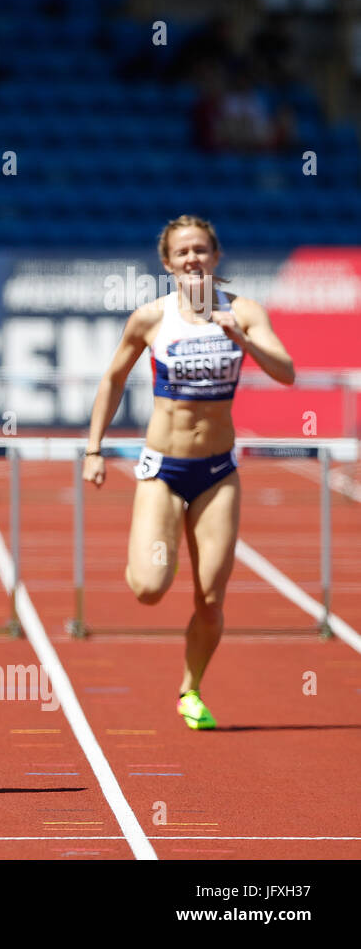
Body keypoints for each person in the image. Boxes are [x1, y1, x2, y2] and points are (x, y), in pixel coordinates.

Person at [83, 215, 294, 729]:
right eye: (183, 252)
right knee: (151, 587)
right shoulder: (151, 318)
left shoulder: (244, 312)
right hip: (164, 469)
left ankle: (190, 689)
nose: (193, 259)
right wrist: (94, 449)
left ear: (216, 257)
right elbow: (112, 378)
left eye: (201, 250)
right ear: (168, 263)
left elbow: (287, 372)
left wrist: (242, 337)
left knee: (211, 600)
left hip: (218, 472)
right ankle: (152, 548)